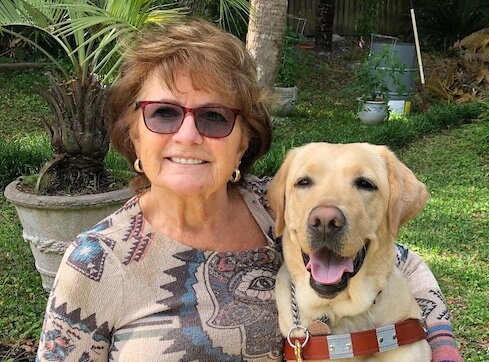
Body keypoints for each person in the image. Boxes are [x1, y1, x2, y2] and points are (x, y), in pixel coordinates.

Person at [36, 19, 462, 361]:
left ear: (243, 139)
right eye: (163, 113)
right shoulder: (94, 262)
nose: (187, 135)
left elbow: (402, 265)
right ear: (133, 135)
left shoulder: (276, 207)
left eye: (215, 117)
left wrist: (441, 349)